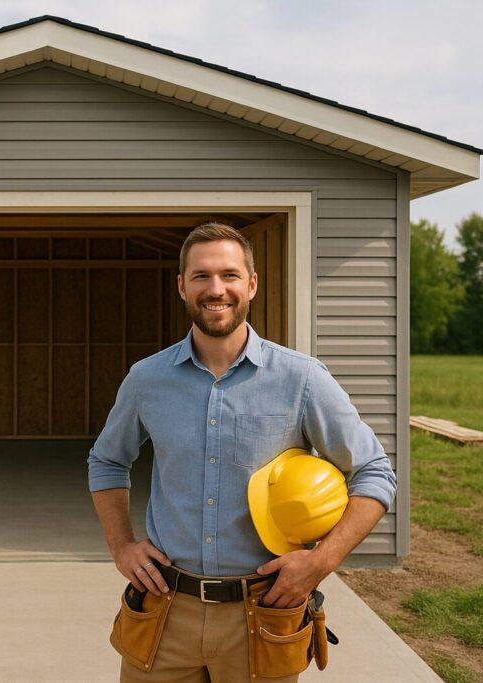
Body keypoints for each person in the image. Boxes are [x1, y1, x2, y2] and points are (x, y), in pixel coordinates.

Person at [88, 222, 397, 682]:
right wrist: (122, 548)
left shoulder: (302, 379)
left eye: (230, 275)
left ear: (251, 284)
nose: (217, 290)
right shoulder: (146, 380)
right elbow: (107, 461)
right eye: (202, 276)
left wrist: (319, 563)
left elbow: (374, 471)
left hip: (266, 614)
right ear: (181, 286)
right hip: (164, 613)